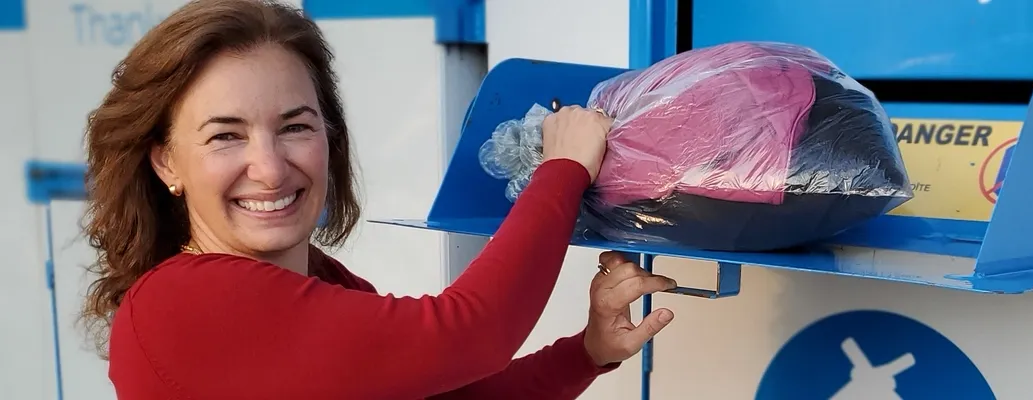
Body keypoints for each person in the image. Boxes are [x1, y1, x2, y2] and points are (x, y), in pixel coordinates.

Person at [79, 0, 678, 398]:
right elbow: (470, 334)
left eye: (295, 126)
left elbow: (452, 390)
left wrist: (588, 352)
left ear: (328, 136)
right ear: (165, 160)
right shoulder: (182, 300)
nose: (268, 166)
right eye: (225, 135)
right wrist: (564, 167)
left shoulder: (324, 284)